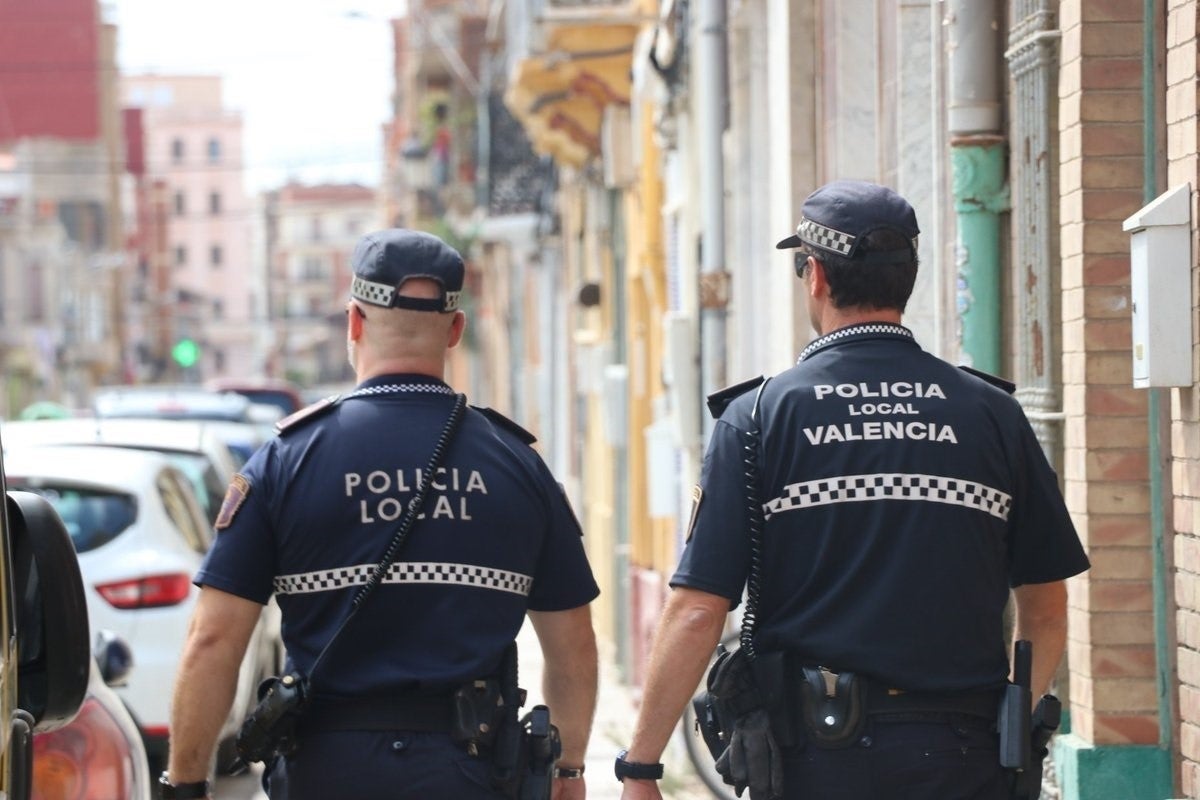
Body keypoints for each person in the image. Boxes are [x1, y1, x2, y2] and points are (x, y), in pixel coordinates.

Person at [617, 180, 1090, 800]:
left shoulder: (757, 417)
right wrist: (1008, 729)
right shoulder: (994, 415)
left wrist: (643, 767)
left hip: (819, 761)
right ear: (908, 278)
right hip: (966, 758)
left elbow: (701, 609)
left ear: (814, 275)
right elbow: (1046, 606)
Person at [163, 229, 600, 800]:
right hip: (472, 775)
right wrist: (569, 769)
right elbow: (573, 644)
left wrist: (186, 784)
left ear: (354, 322)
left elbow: (213, 640)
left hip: (325, 774)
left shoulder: (286, 460)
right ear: (455, 331)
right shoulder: (518, 465)